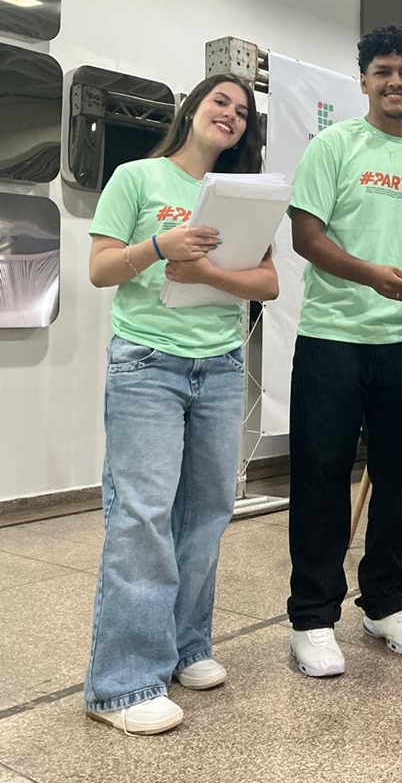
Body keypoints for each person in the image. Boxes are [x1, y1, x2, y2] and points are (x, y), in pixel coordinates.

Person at [84, 75, 279, 734]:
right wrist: (159, 248)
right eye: (220, 101)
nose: (231, 114)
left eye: (242, 111)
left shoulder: (245, 194)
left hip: (221, 367)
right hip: (148, 364)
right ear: (193, 108)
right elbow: (101, 269)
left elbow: (268, 283)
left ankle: (185, 645)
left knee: (206, 512)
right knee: (142, 516)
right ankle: (121, 684)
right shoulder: (137, 178)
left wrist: (207, 272)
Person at [287, 25, 402, 677]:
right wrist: (369, 275)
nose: (395, 82)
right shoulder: (334, 145)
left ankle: (384, 601)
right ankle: (312, 617)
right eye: (383, 71)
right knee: (320, 477)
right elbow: (305, 235)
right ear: (363, 79)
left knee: (401, 477)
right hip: (333, 337)